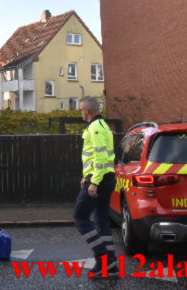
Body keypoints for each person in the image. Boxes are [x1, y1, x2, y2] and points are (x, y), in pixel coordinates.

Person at [73, 97, 118, 277]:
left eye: (80, 110)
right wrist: (87, 176)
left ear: (86, 110)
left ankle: (104, 259)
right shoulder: (103, 125)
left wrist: (94, 182)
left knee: (80, 217)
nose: (80, 113)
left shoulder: (95, 128)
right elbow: (98, 158)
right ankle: (111, 265)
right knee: (100, 220)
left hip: (100, 180)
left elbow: (100, 158)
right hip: (104, 178)